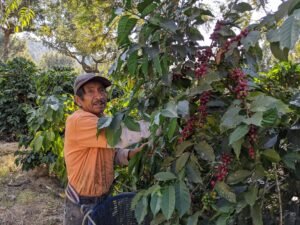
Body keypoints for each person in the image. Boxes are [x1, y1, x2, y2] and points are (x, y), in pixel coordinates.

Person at [63, 73, 150, 225]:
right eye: (91, 91)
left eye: (101, 90)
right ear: (78, 100)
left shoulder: (102, 120)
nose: (99, 96)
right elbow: (121, 135)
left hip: (103, 199)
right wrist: (161, 122)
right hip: (82, 204)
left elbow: (112, 154)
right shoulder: (79, 120)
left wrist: (130, 155)